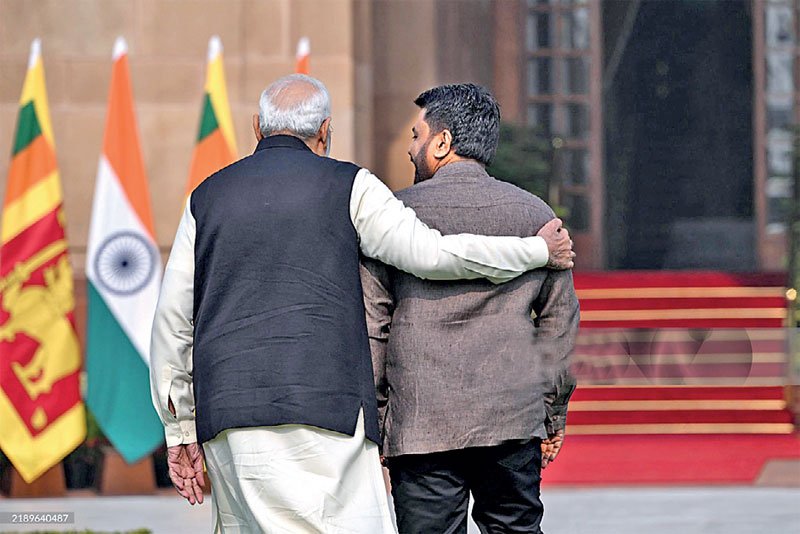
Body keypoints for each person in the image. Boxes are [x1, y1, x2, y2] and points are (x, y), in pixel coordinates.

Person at [149, 74, 575, 533]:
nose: (410, 147)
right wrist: (535, 250)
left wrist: (180, 429)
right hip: (333, 413)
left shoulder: (205, 197)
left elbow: (172, 323)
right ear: (325, 130)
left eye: (416, 135)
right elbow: (433, 255)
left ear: (257, 126)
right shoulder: (352, 187)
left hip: (232, 416)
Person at [361, 84, 580, 534]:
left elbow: (372, 325)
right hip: (512, 419)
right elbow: (559, 323)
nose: (410, 148)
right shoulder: (534, 215)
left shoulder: (394, 216)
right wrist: (550, 412)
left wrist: (382, 418)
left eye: (417, 135)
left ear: (442, 142)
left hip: (421, 424)